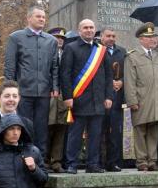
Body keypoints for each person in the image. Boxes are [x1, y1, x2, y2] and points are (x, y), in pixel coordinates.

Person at [4, 6, 59, 158]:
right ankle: (21, 158)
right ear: (29, 18)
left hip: (44, 92)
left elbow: (55, 67)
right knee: (22, 126)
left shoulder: (51, 40)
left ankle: (39, 161)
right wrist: (10, 91)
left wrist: (55, 87)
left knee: (42, 128)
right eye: (38, 16)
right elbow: (10, 66)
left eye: (43, 17)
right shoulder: (16, 37)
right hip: (22, 92)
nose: (42, 19)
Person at [60, 19, 113, 174]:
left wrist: (108, 96)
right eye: (85, 28)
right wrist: (67, 96)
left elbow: (108, 76)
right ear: (79, 30)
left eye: (91, 27)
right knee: (75, 134)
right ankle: (72, 164)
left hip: (98, 101)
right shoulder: (71, 48)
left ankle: (93, 164)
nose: (89, 30)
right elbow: (65, 74)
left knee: (95, 135)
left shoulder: (101, 50)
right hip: (78, 99)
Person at [124, 23, 158, 171]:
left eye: (152, 37)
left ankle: (152, 161)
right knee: (141, 130)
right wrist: (132, 101)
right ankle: (142, 161)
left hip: (157, 100)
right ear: (141, 39)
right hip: (141, 100)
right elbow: (129, 81)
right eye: (148, 37)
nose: (151, 40)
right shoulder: (132, 56)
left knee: (154, 131)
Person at [0, 114, 48, 188]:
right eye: (11, 129)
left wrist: (34, 169)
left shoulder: (33, 151)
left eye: (19, 129)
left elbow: (43, 181)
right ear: (3, 131)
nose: (15, 133)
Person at [99, 27, 126, 172]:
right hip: (101, 97)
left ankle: (113, 162)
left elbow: (129, 71)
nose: (111, 38)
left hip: (117, 97)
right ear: (102, 37)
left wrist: (122, 81)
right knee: (99, 131)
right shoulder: (96, 50)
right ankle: (99, 162)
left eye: (114, 36)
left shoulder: (122, 51)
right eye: (108, 36)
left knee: (115, 132)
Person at [0, 80, 34, 150]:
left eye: (14, 96)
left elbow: (30, 150)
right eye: (7, 96)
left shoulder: (27, 124)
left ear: (19, 99)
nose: (11, 99)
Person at [45, 27, 68, 173]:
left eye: (62, 38)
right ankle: (45, 160)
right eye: (57, 37)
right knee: (47, 128)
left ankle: (56, 161)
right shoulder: (46, 53)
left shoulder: (66, 54)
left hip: (64, 96)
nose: (59, 40)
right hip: (48, 95)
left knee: (61, 128)